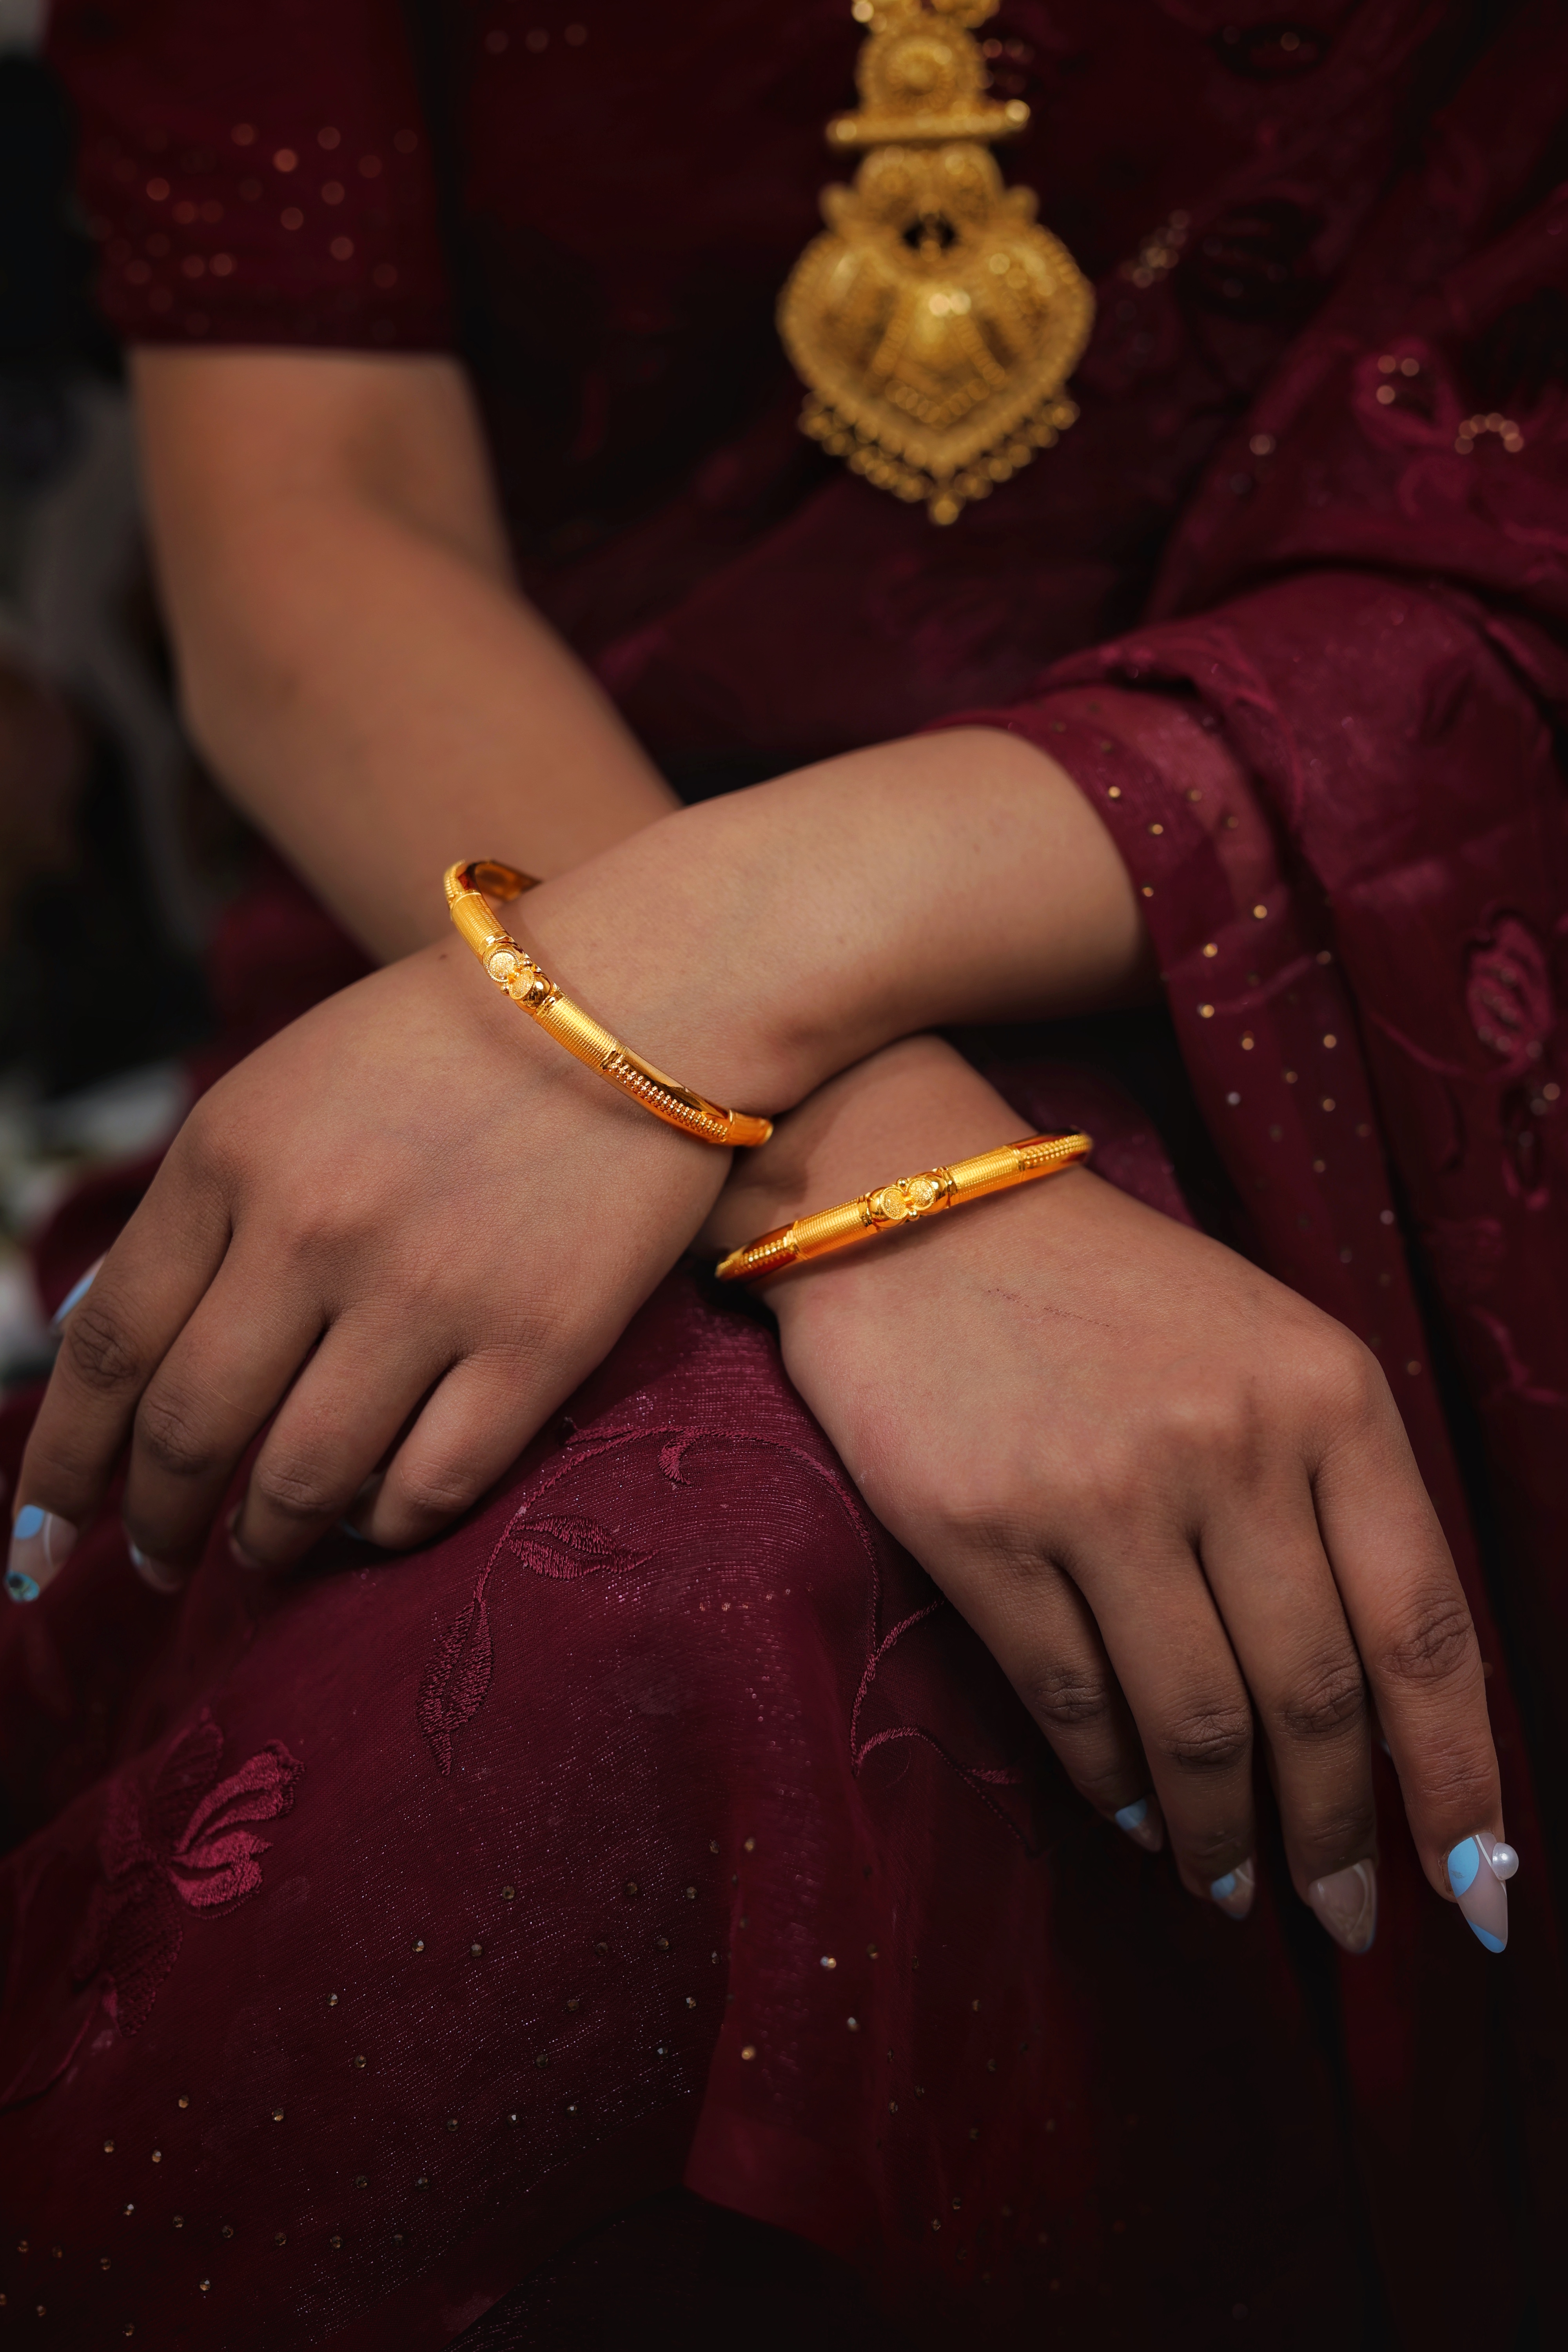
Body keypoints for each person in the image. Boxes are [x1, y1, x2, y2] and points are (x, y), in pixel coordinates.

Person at [2, 0, 1565, 2341]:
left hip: (1369, 942)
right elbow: (319, 512)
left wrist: (714, 986)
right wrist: (866, 1150)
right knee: (643, 1644)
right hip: (477, 916)